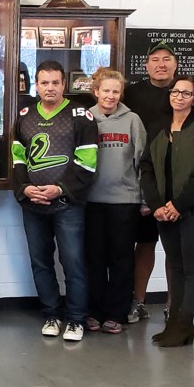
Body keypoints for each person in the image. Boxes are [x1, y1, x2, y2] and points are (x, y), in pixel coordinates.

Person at [12, 60, 97, 342]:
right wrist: (24, 188)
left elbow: (87, 162)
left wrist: (60, 188)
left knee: (73, 262)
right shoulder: (24, 114)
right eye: (44, 82)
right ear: (36, 85)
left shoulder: (80, 116)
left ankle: (75, 319)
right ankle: (51, 313)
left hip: (67, 204)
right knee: (40, 261)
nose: (50, 87)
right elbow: (17, 157)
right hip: (33, 204)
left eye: (55, 82)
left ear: (64, 84)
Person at [139, 76, 194, 347]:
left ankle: (185, 324)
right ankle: (173, 321)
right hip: (163, 210)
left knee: (192, 268)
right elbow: (146, 168)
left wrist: (179, 205)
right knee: (175, 265)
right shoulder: (157, 127)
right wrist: (158, 204)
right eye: (176, 92)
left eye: (187, 93)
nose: (179, 97)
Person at [84, 67, 146, 335]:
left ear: (121, 93)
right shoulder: (86, 119)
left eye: (116, 91)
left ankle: (116, 314)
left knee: (121, 260)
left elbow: (143, 162)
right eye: (105, 90)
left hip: (125, 201)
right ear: (96, 91)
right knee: (94, 258)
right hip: (91, 201)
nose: (110, 96)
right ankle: (94, 311)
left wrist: (145, 199)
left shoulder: (132, 120)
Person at [122, 40, 178, 323]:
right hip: (142, 180)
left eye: (166, 59)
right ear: (146, 65)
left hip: (175, 183)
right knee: (144, 243)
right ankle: (138, 301)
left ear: (175, 64)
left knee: (174, 247)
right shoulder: (132, 94)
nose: (161, 64)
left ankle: (172, 305)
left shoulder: (185, 92)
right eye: (155, 59)